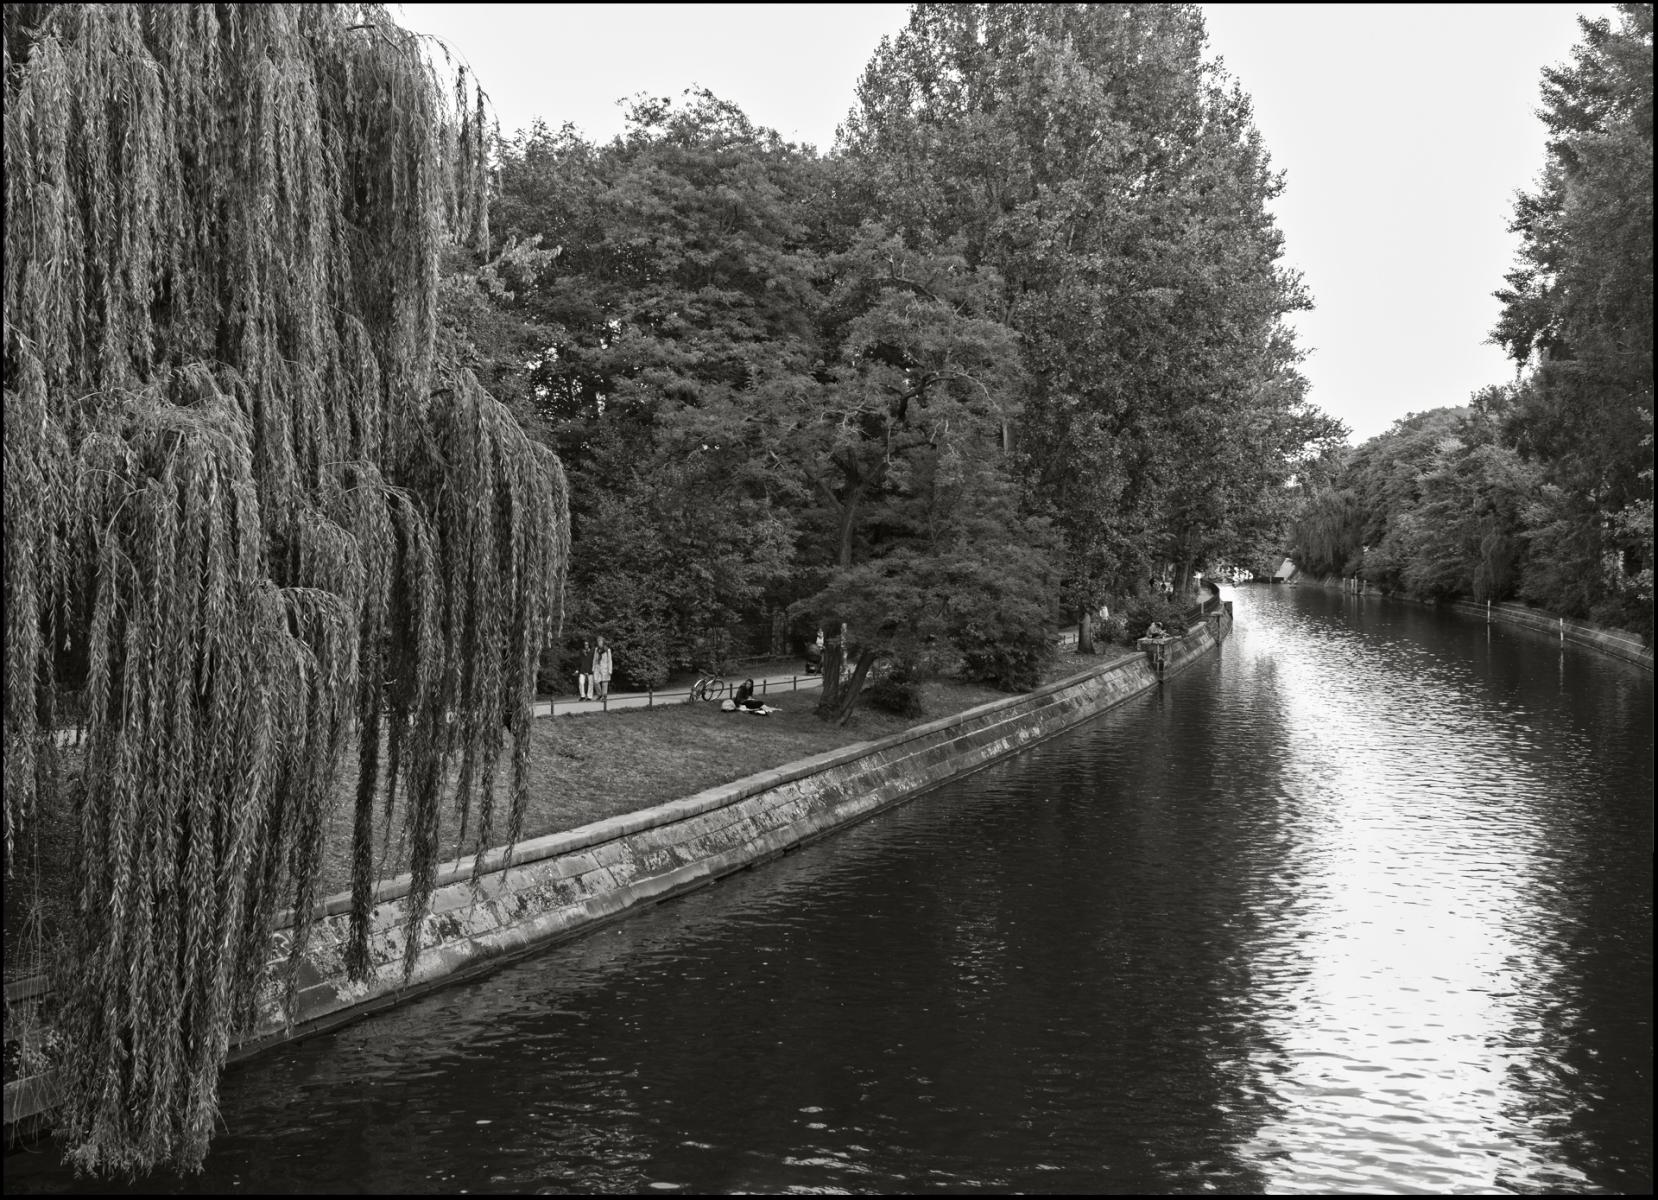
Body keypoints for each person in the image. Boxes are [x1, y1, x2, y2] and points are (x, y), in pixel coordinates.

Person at [592, 635, 613, 701]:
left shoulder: (607, 650)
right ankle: (599, 694)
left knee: (604, 682)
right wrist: (593, 667)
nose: (599, 643)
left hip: (605, 668)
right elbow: (594, 659)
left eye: (600, 641)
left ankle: (604, 696)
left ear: (603, 642)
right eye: (598, 641)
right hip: (597, 667)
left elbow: (609, 660)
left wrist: (610, 670)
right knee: (595, 681)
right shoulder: (596, 649)